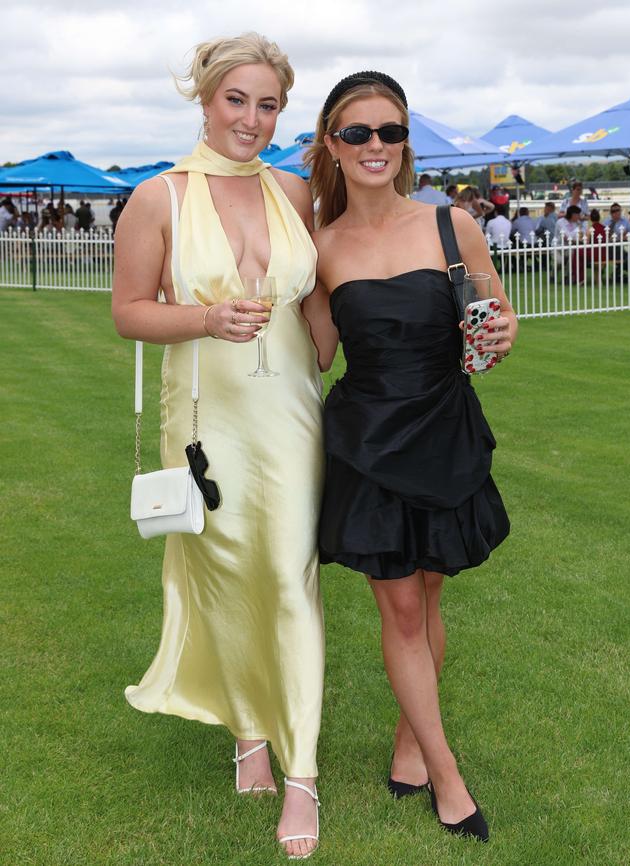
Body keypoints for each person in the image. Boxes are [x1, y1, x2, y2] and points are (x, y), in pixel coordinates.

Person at [112, 33, 324, 860]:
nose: (253, 118)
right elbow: (130, 311)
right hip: (205, 419)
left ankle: (300, 772)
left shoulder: (298, 193)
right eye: (237, 99)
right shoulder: (156, 198)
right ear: (204, 99)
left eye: (268, 103)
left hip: (295, 414)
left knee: (291, 577)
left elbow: (320, 307)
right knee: (228, 572)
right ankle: (249, 733)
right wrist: (204, 317)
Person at [302, 70, 516, 844]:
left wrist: (501, 333)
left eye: (389, 131)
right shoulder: (320, 248)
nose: (375, 146)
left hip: (444, 426)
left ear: (404, 142)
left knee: (428, 598)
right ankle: (448, 777)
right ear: (332, 142)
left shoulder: (451, 225)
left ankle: (408, 739)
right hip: (367, 439)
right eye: (357, 132)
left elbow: (495, 310)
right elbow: (319, 353)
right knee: (398, 607)